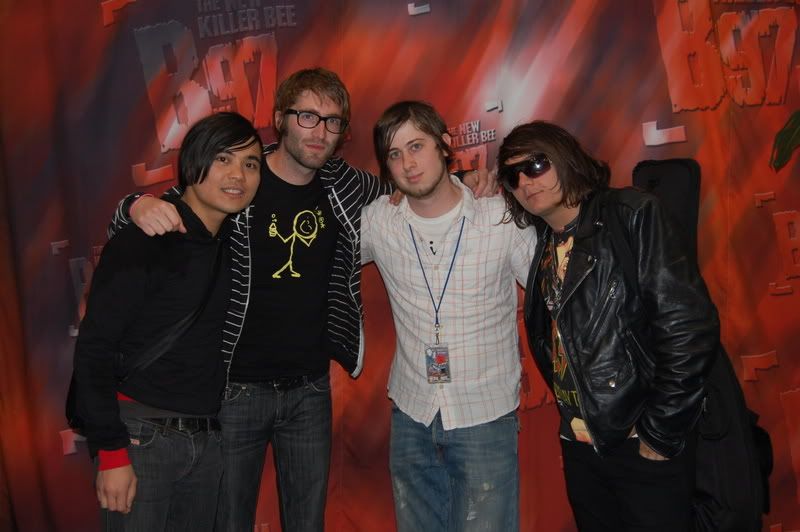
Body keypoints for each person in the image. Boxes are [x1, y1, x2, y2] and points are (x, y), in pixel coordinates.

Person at [107, 69, 492, 531]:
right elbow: (150, 215)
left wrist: (468, 178)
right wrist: (134, 205)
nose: (319, 131)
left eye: (332, 121)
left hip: (309, 390)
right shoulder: (240, 178)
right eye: (307, 116)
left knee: (307, 522)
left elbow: (412, 189)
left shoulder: (345, 186)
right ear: (279, 119)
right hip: (233, 390)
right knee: (228, 521)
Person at [497, 120, 720, 531]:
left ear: (565, 158)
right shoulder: (545, 243)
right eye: (513, 176)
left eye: (536, 164)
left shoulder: (631, 214)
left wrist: (659, 433)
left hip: (641, 442)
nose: (525, 181)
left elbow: (688, 330)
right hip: (581, 445)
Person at [72, 111, 262, 531]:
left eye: (250, 163)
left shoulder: (231, 244)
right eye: (223, 159)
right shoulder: (146, 238)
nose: (238, 174)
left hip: (206, 440)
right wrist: (112, 453)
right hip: (141, 437)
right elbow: (94, 348)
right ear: (193, 163)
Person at [362, 101, 537, 531]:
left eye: (416, 146)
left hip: (485, 415)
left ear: (444, 146)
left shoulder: (498, 218)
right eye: (395, 154)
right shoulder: (379, 221)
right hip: (412, 414)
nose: (408, 163)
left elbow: (554, 290)